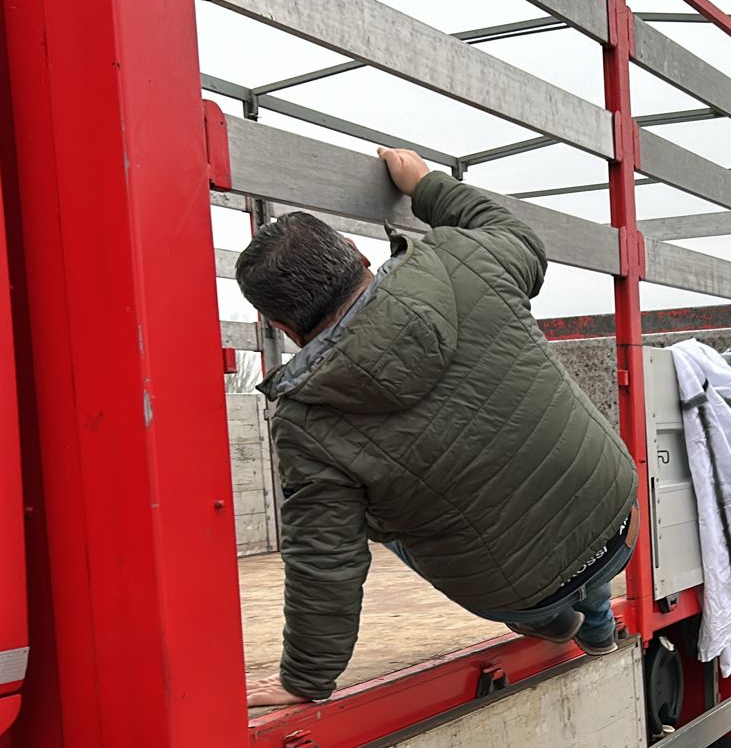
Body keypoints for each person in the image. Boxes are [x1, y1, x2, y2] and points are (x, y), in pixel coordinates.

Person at [241, 148, 638, 707]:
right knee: (568, 526)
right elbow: (516, 235)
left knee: (383, 523)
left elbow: (326, 561)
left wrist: (303, 680)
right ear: (356, 253)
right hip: (614, 507)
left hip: (517, 589)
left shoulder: (306, 420)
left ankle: (553, 623)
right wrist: (426, 185)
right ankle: (597, 627)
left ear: (280, 326)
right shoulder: (461, 258)